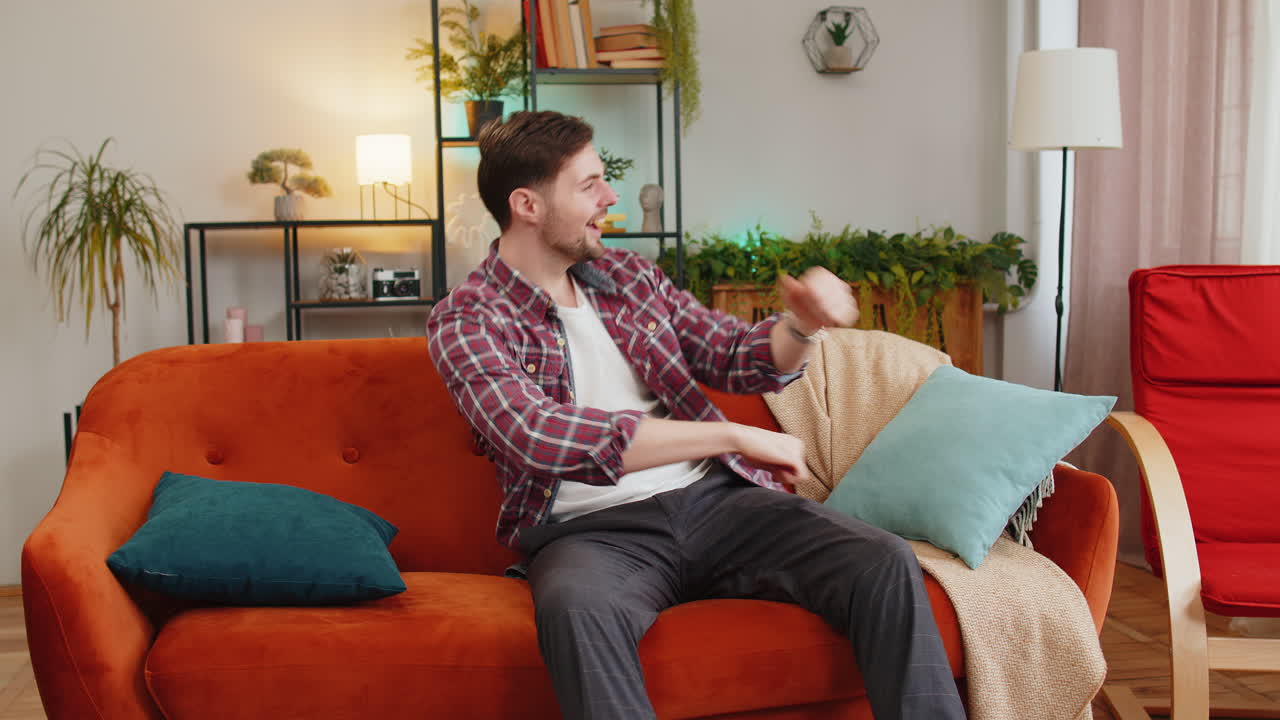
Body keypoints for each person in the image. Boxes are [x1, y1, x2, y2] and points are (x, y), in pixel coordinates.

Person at [427, 110, 965, 720]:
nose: (609, 197)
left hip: (714, 505)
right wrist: (727, 434)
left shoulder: (626, 277)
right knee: (576, 612)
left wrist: (803, 325)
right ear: (526, 204)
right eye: (588, 185)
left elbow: (730, 354)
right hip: (593, 534)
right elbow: (536, 434)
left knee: (882, 561)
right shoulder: (467, 318)